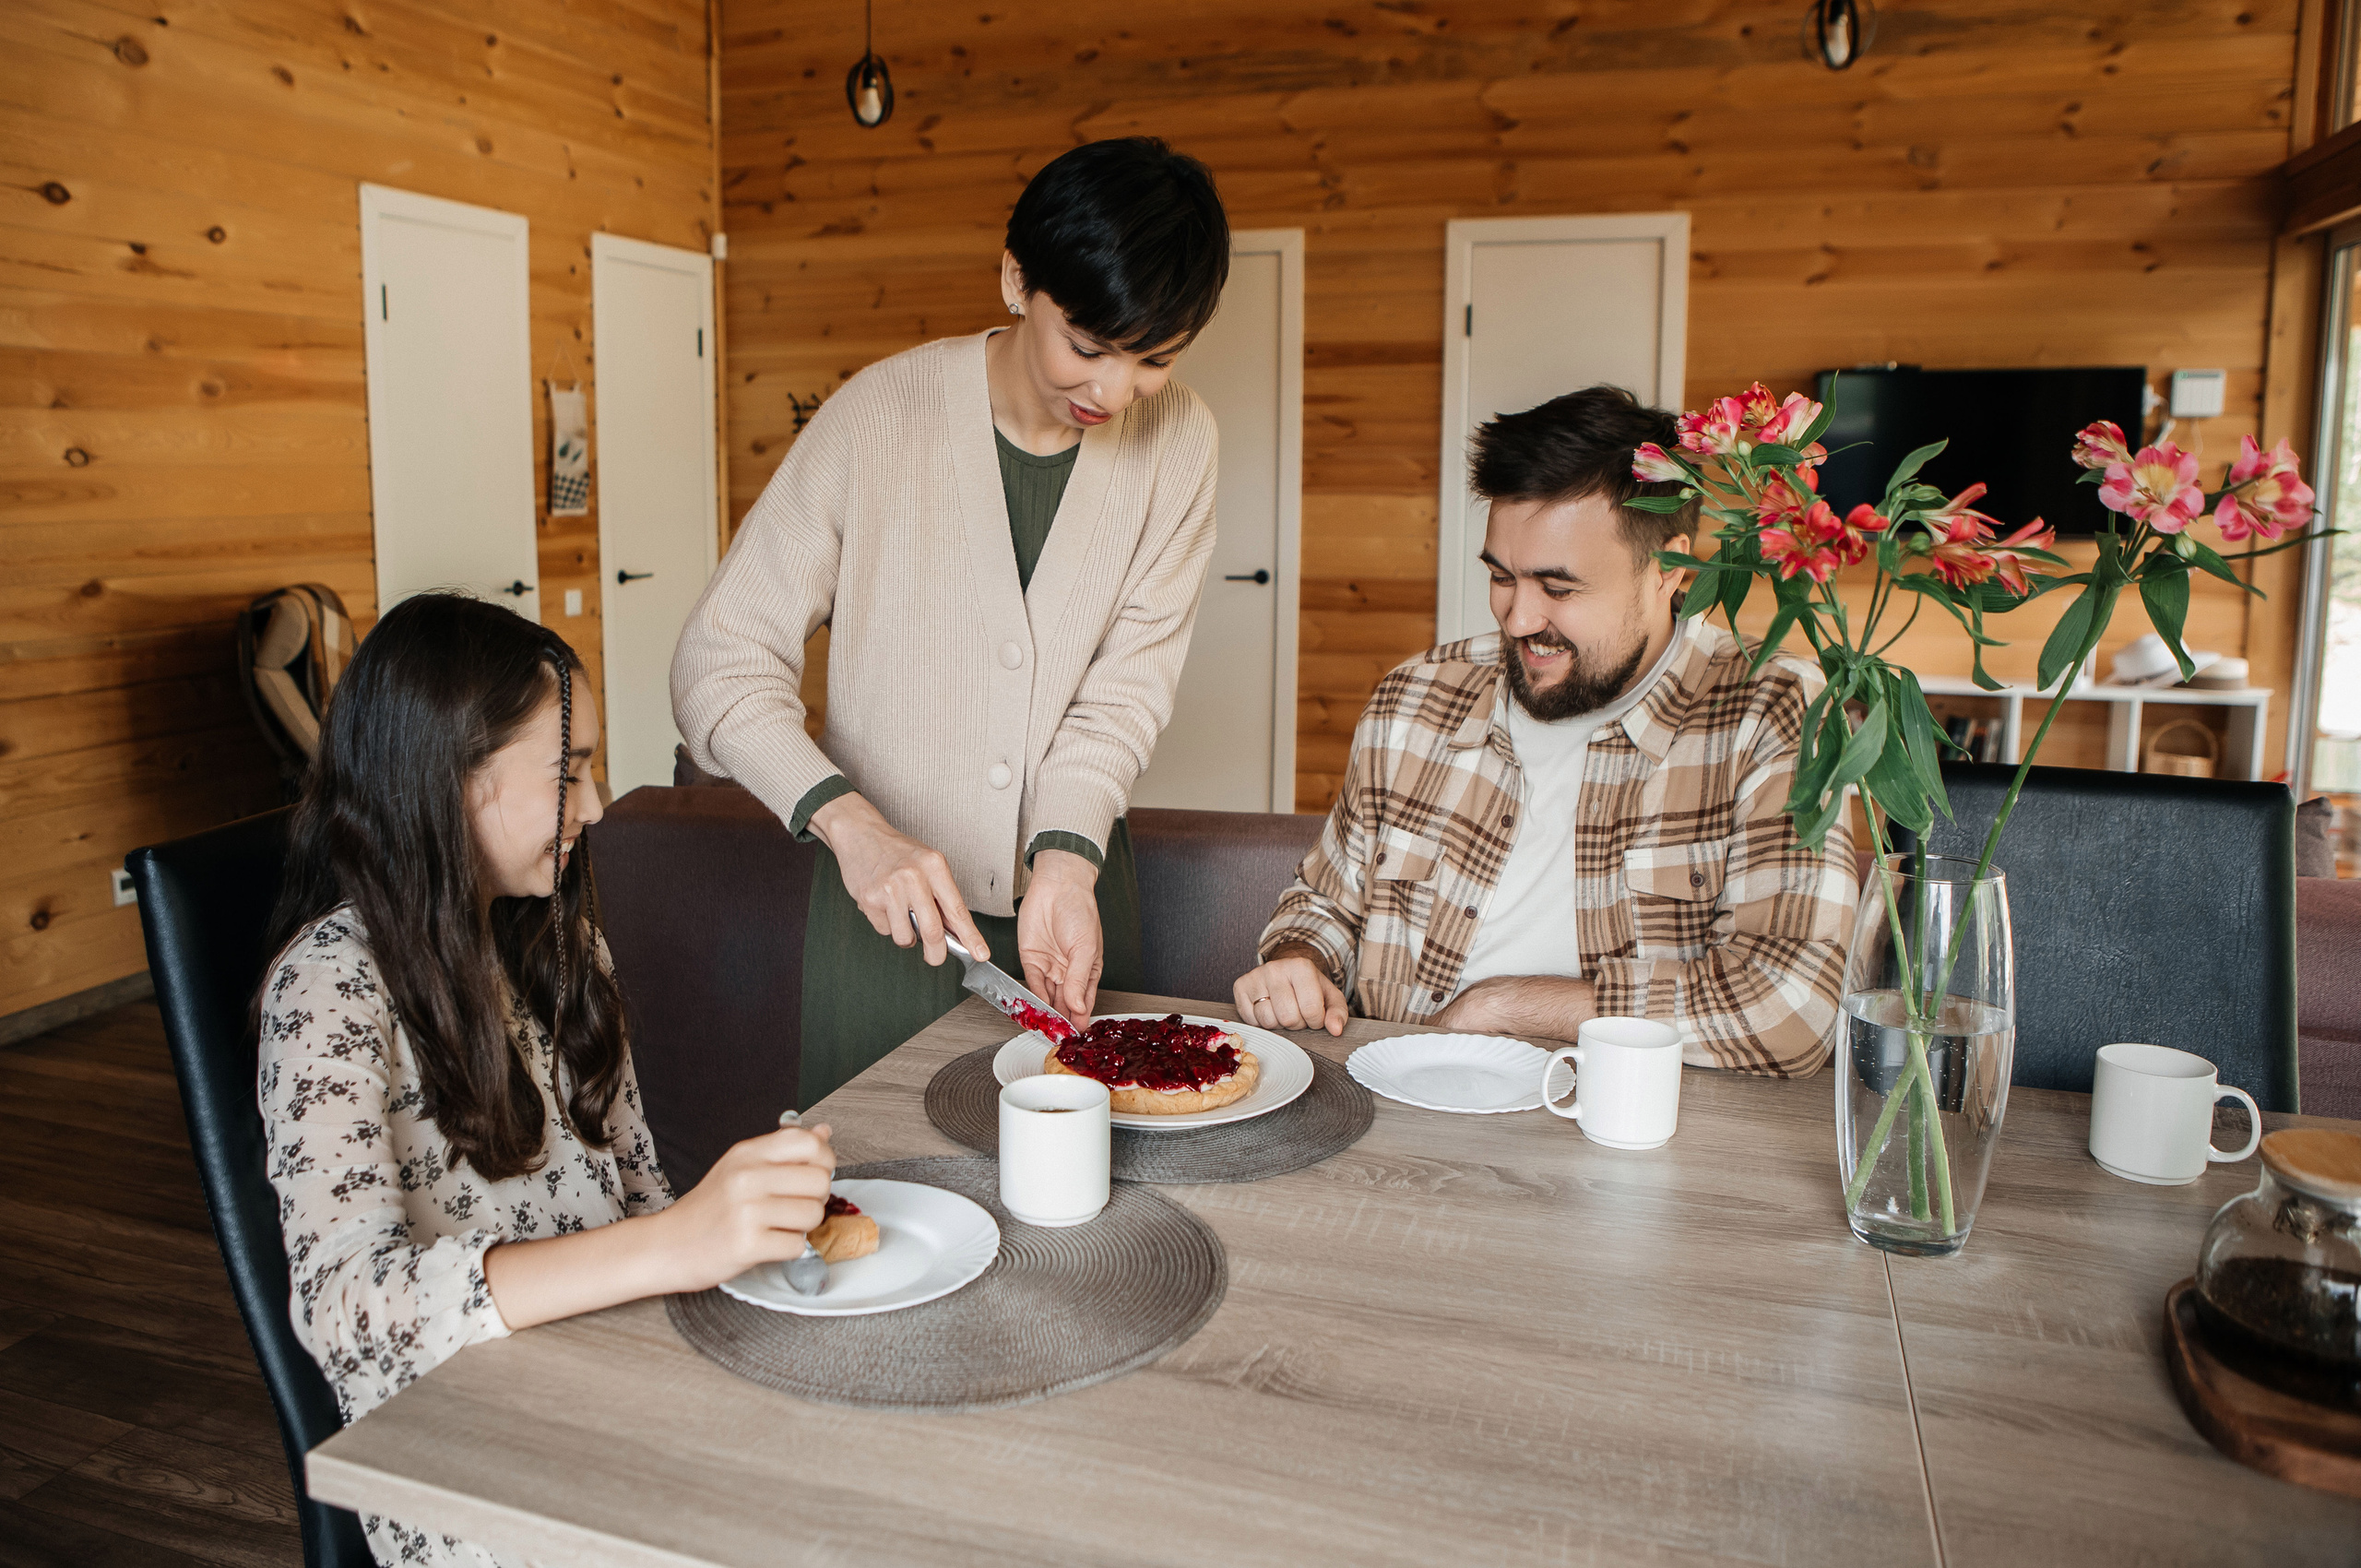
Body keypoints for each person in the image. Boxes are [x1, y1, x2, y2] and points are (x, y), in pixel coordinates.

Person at [257, 594, 838, 1568]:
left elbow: (640, 1182)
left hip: (617, 1376)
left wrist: (724, 1240)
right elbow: (345, 1305)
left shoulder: (557, 944)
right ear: (449, 776)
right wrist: (667, 1244)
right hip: (477, 1470)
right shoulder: (328, 988)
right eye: (568, 769)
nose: (599, 804)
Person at [673, 137, 1229, 1105]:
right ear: (1017, 279)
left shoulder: (1180, 442)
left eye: (1153, 360)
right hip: (881, 926)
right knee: (887, 1210)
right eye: (1088, 347)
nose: (1112, 391)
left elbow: (1122, 695)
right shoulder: (876, 416)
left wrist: (1062, 864)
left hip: (1075, 900)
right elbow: (717, 665)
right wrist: (850, 826)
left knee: (1099, 1226)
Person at [1232, 386, 1857, 1075]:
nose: (1519, 618)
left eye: (1558, 589)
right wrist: (1299, 959)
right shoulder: (1413, 698)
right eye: (1502, 577)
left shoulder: (1773, 710)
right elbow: (1325, 902)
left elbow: (1793, 1012)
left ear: (1669, 569)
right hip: (1398, 1111)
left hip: (1631, 1137)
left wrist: (1505, 1009)